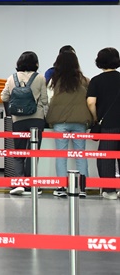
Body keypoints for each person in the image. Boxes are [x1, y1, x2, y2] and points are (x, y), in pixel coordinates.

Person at [1, 51, 49, 195]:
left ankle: (19, 182)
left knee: (18, 152)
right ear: (36, 64)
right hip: (36, 119)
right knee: (33, 152)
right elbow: (45, 100)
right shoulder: (40, 78)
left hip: (18, 120)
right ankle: (31, 184)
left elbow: (4, 96)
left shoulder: (12, 78)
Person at [46, 50, 90, 197]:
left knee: (61, 155)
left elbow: (49, 99)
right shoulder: (84, 80)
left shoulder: (55, 80)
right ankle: (82, 188)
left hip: (61, 121)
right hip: (79, 121)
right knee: (81, 154)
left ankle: (60, 187)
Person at [86, 47, 120, 200]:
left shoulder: (96, 81)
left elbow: (91, 102)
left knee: (106, 157)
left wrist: (96, 118)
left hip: (108, 125)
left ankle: (110, 190)